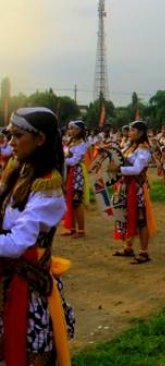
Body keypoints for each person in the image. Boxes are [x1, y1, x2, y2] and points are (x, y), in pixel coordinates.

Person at [0, 107, 75, 366]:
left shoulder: (48, 184)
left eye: (18, 136)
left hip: (27, 286)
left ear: (40, 139)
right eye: (10, 135)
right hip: (7, 278)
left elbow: (17, 244)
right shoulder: (18, 169)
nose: (11, 142)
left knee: (27, 354)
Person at [109, 121, 157, 264]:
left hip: (137, 188)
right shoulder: (131, 146)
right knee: (124, 215)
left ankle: (144, 252)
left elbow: (137, 169)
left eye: (132, 130)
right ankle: (128, 247)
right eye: (129, 130)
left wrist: (118, 169)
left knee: (141, 220)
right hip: (125, 185)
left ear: (141, 133)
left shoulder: (144, 149)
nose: (129, 133)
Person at [61, 120, 91, 238]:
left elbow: (74, 161)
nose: (71, 131)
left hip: (77, 173)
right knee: (70, 200)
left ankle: (81, 230)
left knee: (76, 201)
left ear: (80, 131)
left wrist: (61, 160)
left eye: (74, 129)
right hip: (70, 172)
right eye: (70, 128)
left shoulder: (81, 144)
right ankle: (72, 228)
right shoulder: (71, 142)